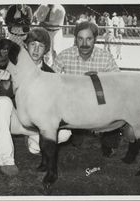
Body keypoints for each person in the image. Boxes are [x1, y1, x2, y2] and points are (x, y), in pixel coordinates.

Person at [0, 28, 72, 176]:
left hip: (37, 124)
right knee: (2, 103)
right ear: (26, 46)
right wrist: (6, 81)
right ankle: (5, 160)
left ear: (46, 50)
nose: (36, 49)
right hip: (18, 119)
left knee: (65, 133)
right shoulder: (13, 66)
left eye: (41, 46)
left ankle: (34, 142)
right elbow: (4, 94)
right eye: (33, 44)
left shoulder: (50, 74)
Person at [50, 21, 121, 156]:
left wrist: (101, 78)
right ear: (75, 39)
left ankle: (109, 141)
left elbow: (118, 82)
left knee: (115, 107)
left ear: (95, 39)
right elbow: (51, 80)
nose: (84, 43)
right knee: (75, 141)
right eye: (80, 39)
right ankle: (75, 134)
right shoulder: (64, 55)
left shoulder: (105, 57)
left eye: (89, 39)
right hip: (73, 104)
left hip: (99, 104)